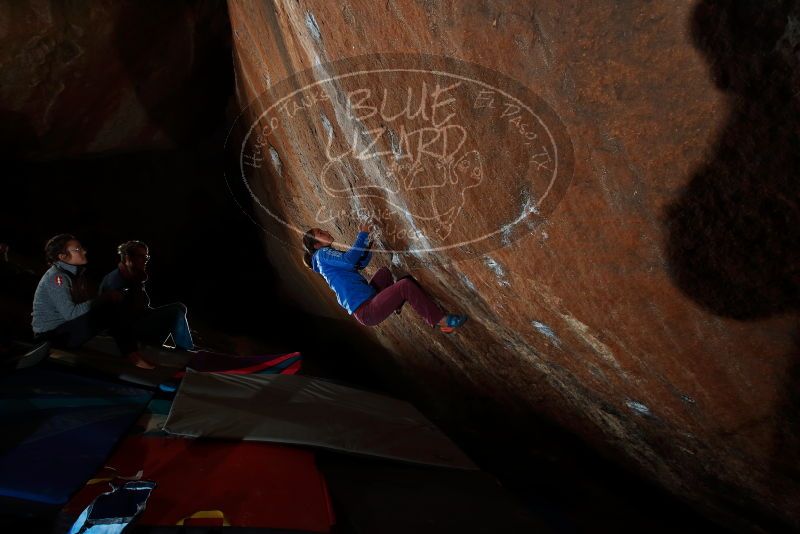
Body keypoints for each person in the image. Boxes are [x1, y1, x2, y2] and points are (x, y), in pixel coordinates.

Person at [301, 220, 468, 332]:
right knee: (405, 286)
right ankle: (441, 321)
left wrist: (368, 242)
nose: (325, 231)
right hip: (367, 310)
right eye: (320, 233)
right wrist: (362, 234)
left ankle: (394, 303)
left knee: (384, 273)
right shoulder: (322, 255)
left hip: (369, 297)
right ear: (316, 245)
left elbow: (359, 264)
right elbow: (350, 261)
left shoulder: (325, 260)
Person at [31, 234, 155, 369]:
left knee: (110, 309)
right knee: (109, 308)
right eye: (77, 250)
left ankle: (132, 352)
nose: (84, 251)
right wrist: (104, 298)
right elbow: (71, 313)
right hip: (51, 337)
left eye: (82, 248)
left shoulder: (76, 276)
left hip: (66, 330)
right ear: (62, 257)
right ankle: (133, 356)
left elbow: (84, 308)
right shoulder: (57, 278)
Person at [99, 240, 194, 352]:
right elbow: (115, 314)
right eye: (140, 256)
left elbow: (140, 309)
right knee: (175, 312)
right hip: (126, 329)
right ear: (128, 258)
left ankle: (170, 345)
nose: (145, 260)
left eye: (146, 257)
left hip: (136, 323)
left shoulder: (135, 278)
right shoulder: (116, 279)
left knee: (179, 307)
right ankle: (183, 351)